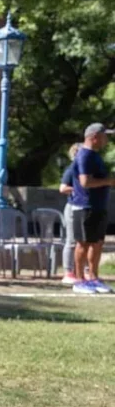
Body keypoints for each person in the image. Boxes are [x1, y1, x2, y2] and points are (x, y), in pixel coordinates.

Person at [69, 123, 115, 294]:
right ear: (94, 137)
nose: (106, 140)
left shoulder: (95, 156)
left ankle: (93, 278)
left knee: (97, 243)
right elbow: (85, 182)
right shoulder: (85, 155)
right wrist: (109, 181)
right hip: (85, 206)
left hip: (98, 206)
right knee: (83, 243)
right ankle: (79, 280)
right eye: (104, 136)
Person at [60, 143, 82, 284]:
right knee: (71, 240)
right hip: (72, 207)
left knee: (83, 241)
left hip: (83, 207)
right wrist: (79, 190)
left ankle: (82, 271)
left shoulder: (85, 170)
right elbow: (62, 188)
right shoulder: (72, 169)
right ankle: (68, 272)